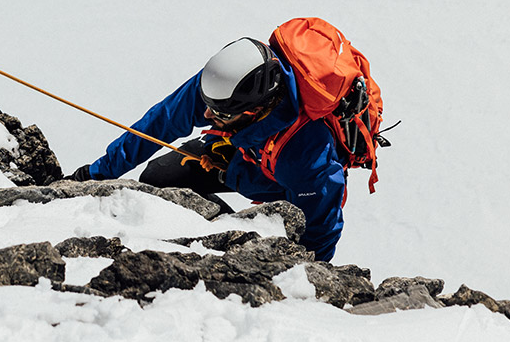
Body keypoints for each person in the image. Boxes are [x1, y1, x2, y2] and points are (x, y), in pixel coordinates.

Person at [69, 34, 347, 260]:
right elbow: (159, 123)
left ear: (254, 111)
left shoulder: (305, 153)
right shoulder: (224, 88)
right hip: (240, 150)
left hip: (284, 177)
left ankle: (238, 228)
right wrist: (94, 175)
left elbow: (320, 225)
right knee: (159, 177)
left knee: (283, 210)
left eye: (220, 115)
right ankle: (222, 220)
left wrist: (312, 273)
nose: (206, 115)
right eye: (208, 106)